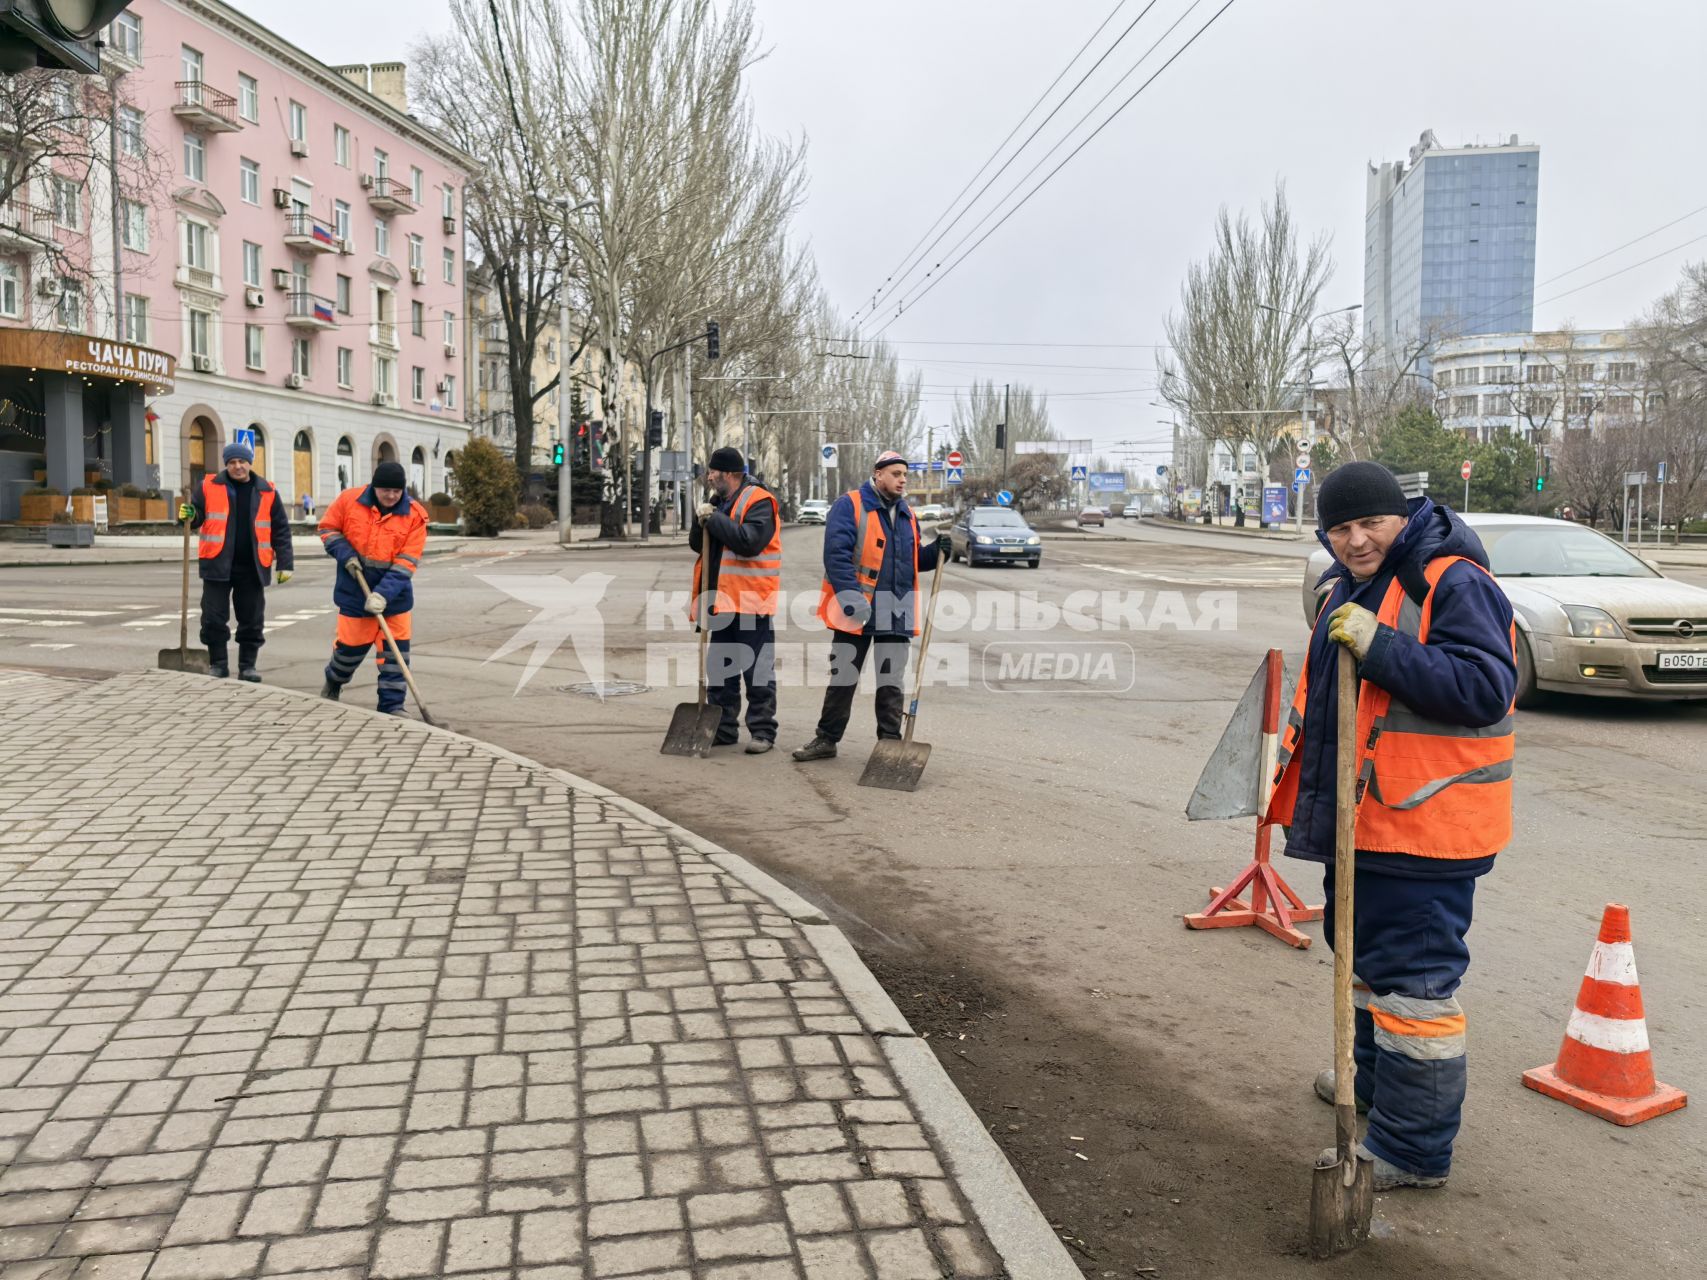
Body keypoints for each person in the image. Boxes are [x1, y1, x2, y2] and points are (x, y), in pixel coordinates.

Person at [1266, 461, 1516, 1192]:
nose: (1354, 539)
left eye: (1368, 523)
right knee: (1364, 957)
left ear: (1400, 516)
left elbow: (1483, 688)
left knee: (1411, 982)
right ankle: (1370, 1087)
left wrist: (1381, 646)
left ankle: (1411, 1148)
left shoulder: (1452, 580)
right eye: (1339, 529)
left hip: (1426, 823)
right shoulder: (1356, 584)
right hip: (1364, 819)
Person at [793, 450, 952, 762]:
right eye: (896, 474)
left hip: (896, 610)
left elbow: (911, 560)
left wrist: (935, 553)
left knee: (891, 682)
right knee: (843, 678)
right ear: (878, 474)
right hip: (858, 609)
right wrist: (851, 599)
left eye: (905, 475)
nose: (903, 480)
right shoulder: (850, 505)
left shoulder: (907, 512)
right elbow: (836, 556)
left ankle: (889, 743)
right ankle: (826, 739)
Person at [316, 461, 428, 715]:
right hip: (354, 591)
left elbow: (406, 562)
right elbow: (328, 529)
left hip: (395, 598)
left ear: (403, 490)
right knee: (349, 651)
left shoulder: (414, 516)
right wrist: (345, 554)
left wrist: (383, 594)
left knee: (395, 655)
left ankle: (392, 706)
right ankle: (334, 680)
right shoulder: (349, 501)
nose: (390, 496)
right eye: (385, 490)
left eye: (396, 492)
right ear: (374, 487)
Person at [689, 446, 780, 753]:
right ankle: (724, 728)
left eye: (713, 472)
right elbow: (696, 544)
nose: (709, 477)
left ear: (729, 473)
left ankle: (763, 732)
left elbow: (749, 542)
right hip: (722, 600)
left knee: (757, 670)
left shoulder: (759, 501)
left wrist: (713, 519)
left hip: (751, 600)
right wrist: (701, 515)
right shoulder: (719, 501)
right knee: (721, 669)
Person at [179, 441, 294, 681]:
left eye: (242, 461)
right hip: (217, 564)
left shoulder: (267, 491)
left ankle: (247, 666)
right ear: (226, 465)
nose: (237, 466)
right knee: (213, 618)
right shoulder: (209, 486)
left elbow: (280, 530)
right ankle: (218, 664)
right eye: (232, 462)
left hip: (252, 567)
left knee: (252, 619)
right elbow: (197, 515)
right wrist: (190, 515)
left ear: (250, 463)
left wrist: (285, 563)